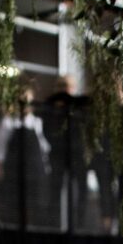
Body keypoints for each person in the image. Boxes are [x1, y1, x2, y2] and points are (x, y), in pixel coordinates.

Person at [0, 82, 50, 227]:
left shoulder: (37, 121)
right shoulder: (8, 121)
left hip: (34, 170)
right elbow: (0, 146)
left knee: (33, 202)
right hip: (14, 169)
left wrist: (46, 165)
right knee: (15, 201)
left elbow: (43, 146)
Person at [43, 75, 90, 230]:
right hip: (58, 154)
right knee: (55, 189)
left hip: (77, 155)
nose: (65, 89)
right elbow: (47, 130)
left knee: (80, 190)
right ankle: (53, 225)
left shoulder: (80, 106)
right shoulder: (51, 106)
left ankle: (80, 225)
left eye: (68, 86)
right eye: (62, 85)